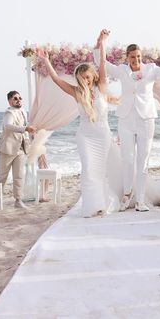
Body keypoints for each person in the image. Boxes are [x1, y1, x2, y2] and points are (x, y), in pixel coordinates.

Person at [96, 30, 160, 212]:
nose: (135, 59)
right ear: (127, 58)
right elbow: (101, 62)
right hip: (126, 118)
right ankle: (127, 194)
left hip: (146, 118)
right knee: (128, 158)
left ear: (141, 56)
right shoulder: (121, 71)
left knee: (143, 160)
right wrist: (101, 42)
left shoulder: (152, 70)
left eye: (138, 56)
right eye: (132, 57)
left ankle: (140, 200)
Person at [37, 31, 119, 217]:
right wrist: (46, 61)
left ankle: (102, 204)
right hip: (85, 136)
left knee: (100, 171)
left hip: (103, 135)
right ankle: (91, 206)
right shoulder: (76, 92)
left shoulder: (102, 88)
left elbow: (103, 63)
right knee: (89, 169)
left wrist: (101, 42)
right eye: (82, 78)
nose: (86, 81)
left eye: (88, 77)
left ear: (93, 77)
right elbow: (57, 80)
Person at [0, 91, 36, 208]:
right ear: (10, 101)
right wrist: (25, 128)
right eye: (15, 98)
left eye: (20, 98)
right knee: (2, 176)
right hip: (8, 148)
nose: (18, 100)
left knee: (19, 175)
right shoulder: (9, 113)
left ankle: (18, 200)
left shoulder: (23, 111)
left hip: (21, 148)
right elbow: (7, 126)